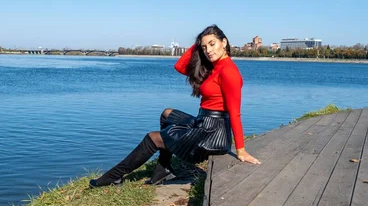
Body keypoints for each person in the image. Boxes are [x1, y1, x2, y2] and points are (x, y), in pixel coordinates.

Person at [89, 24, 260, 188]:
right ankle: (163, 168)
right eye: (204, 47)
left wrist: (241, 149)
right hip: (203, 123)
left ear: (224, 42)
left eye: (212, 44)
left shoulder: (229, 72)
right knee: (167, 114)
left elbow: (235, 113)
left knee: (154, 137)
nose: (208, 50)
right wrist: (198, 43)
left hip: (213, 135)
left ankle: (114, 176)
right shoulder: (213, 68)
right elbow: (179, 66)